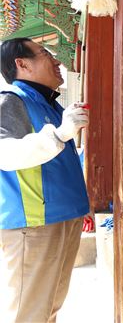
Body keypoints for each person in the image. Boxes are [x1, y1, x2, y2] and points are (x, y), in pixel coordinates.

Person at [0, 38, 90, 322]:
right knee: (28, 314)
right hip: (33, 225)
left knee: (49, 307)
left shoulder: (50, 105)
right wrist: (60, 134)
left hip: (62, 218)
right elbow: (5, 153)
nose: (58, 61)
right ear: (22, 64)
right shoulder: (12, 101)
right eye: (45, 54)